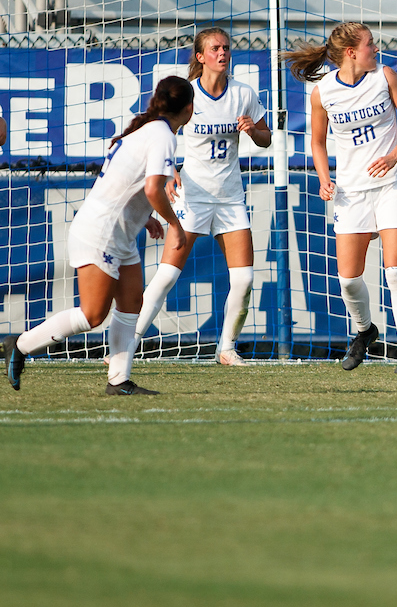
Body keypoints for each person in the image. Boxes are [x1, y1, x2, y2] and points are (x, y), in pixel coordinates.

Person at [3, 77, 194, 395]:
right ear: (189, 109)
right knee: (93, 314)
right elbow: (151, 188)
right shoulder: (161, 135)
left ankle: (118, 381)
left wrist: (145, 219)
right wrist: (174, 223)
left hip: (119, 232)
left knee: (132, 301)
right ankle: (19, 345)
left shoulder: (149, 130)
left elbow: (126, 185)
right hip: (100, 232)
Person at [282, 22, 397, 373]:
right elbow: (316, 141)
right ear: (351, 52)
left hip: (394, 184)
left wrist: (392, 157)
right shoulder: (323, 91)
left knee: (395, 272)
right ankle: (366, 331)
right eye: (370, 44)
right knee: (348, 279)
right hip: (351, 191)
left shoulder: (385, 76)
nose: (376, 49)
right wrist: (324, 177)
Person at [133, 28, 270, 366]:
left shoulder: (243, 93)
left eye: (225, 48)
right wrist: (169, 168)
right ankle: (126, 343)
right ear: (200, 56)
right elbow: (156, 132)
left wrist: (253, 131)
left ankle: (226, 349)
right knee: (166, 275)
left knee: (244, 278)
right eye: (214, 49)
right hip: (192, 196)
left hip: (230, 197)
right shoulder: (187, 95)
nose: (222, 53)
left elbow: (266, 139)